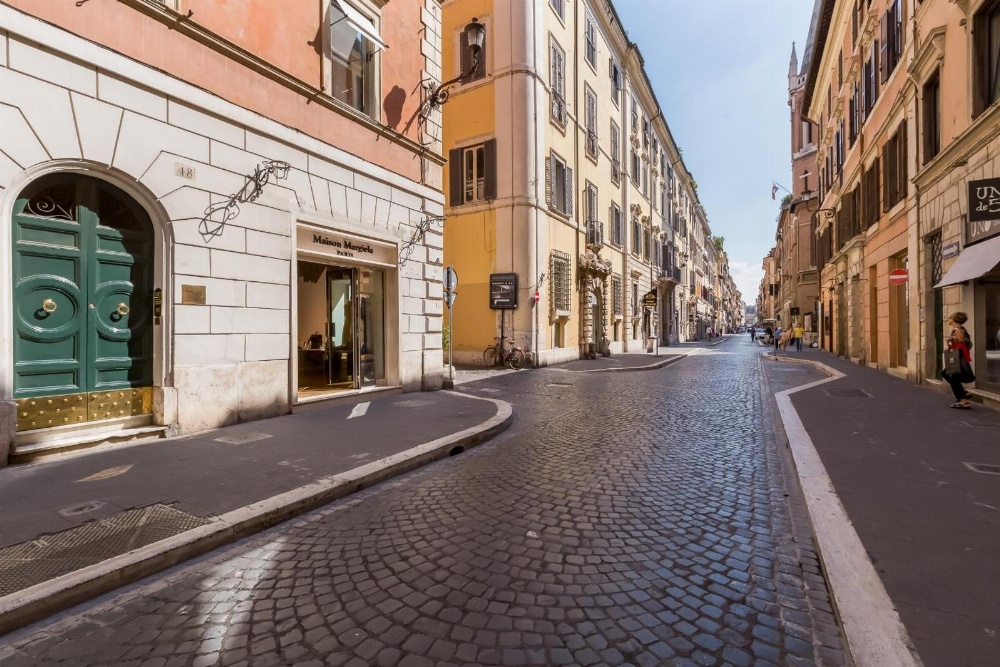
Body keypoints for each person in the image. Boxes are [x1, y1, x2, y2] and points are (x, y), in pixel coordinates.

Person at [942, 312, 974, 409]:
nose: (948, 319)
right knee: (948, 375)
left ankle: (963, 399)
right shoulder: (956, 329)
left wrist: (952, 343)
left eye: (950, 318)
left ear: (954, 319)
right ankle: (963, 397)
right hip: (957, 357)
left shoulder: (959, 330)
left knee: (950, 375)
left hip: (957, 358)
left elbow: (961, 345)